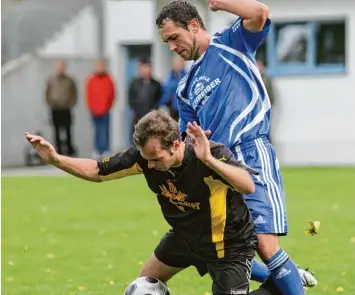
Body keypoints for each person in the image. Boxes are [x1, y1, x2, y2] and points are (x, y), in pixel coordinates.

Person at [25, 110, 282, 295]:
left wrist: (210, 161)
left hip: (228, 246)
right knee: (143, 286)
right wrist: (56, 159)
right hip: (184, 238)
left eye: (156, 158)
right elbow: (96, 171)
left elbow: (247, 184)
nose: (149, 165)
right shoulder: (144, 157)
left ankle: (277, 287)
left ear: (176, 144)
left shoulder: (209, 154)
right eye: (146, 158)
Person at [155, 1, 317, 294]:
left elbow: (259, 13)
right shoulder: (185, 87)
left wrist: (221, 3)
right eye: (166, 42)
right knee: (214, 245)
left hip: (250, 154)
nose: (171, 47)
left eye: (174, 38)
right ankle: (285, 274)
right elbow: (187, 142)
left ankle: (283, 273)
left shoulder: (231, 43)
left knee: (266, 244)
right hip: (217, 169)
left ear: (193, 25)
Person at [45, 60, 77, 156]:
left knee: (67, 130)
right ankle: (58, 150)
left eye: (62, 67)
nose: (60, 69)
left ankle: (69, 150)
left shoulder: (69, 80)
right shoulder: (51, 80)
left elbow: (74, 93)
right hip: (55, 109)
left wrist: (71, 103)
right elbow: (47, 94)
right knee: (56, 130)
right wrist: (51, 103)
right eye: (59, 67)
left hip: (66, 109)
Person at [86, 58, 116, 158]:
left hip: (105, 110)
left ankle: (106, 149)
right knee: (97, 130)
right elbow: (88, 95)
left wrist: (108, 106)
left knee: (105, 130)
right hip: (94, 111)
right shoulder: (91, 79)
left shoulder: (108, 79)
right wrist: (91, 107)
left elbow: (112, 94)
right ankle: (97, 149)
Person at [128, 56, 162, 138]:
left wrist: (152, 112)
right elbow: (130, 99)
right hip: (137, 117)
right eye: (142, 68)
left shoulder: (156, 84)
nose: (144, 70)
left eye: (146, 67)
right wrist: (138, 110)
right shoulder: (134, 83)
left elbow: (159, 100)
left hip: (151, 118)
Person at [158, 55, 187, 121]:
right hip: (172, 110)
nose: (177, 64)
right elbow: (164, 93)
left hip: (185, 109)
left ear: (183, 63)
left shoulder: (187, 76)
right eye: (176, 62)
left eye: (179, 62)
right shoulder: (168, 79)